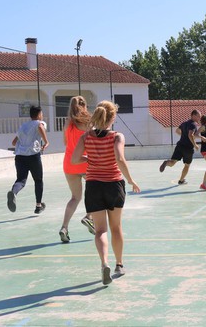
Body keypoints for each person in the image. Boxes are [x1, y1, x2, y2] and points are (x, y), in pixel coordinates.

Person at [72, 100, 140, 285]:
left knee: (100, 230)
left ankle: (104, 264)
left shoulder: (86, 137)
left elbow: (75, 159)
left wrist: (92, 157)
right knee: (116, 228)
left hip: (93, 185)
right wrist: (131, 180)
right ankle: (119, 264)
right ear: (112, 117)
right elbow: (119, 158)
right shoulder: (117, 136)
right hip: (113, 185)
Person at [59, 96, 95, 243]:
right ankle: (89, 217)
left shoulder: (67, 124)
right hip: (85, 161)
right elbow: (93, 141)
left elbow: (66, 142)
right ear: (85, 105)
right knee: (95, 192)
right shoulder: (89, 122)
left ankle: (64, 227)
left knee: (75, 197)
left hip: (69, 163)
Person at [7, 105, 49, 214]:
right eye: (42, 113)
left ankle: (13, 192)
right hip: (33, 156)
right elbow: (40, 127)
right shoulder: (39, 123)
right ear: (39, 114)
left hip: (20, 157)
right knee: (38, 180)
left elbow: (13, 142)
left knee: (21, 180)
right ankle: (38, 206)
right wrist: (46, 142)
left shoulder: (23, 126)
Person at [159, 109, 206, 185]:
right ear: (193, 115)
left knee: (172, 162)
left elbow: (177, 131)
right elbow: (190, 135)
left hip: (180, 146)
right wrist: (195, 145)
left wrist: (184, 135)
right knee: (187, 165)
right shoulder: (193, 124)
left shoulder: (184, 123)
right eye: (198, 116)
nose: (199, 118)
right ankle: (181, 180)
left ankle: (166, 162)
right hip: (188, 148)